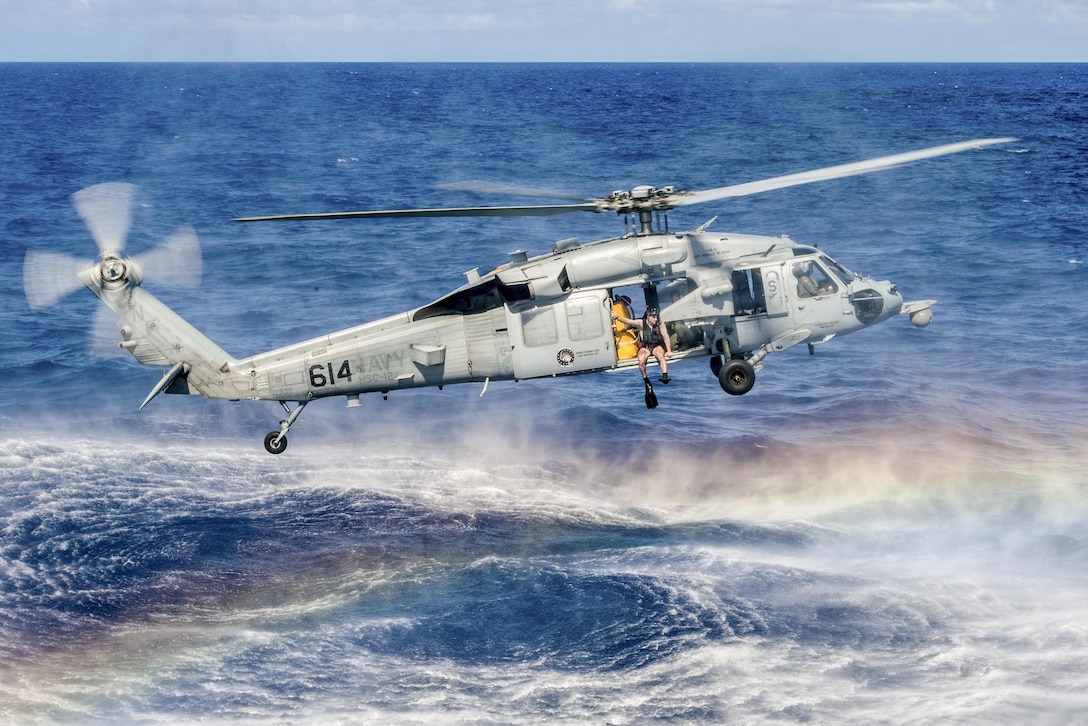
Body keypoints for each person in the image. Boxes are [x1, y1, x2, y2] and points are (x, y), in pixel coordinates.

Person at [611, 306, 673, 384]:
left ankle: (665, 376)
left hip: (657, 346)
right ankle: (645, 378)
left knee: (660, 356)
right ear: (648, 317)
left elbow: (666, 336)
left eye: (656, 317)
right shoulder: (641, 323)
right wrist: (617, 317)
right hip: (645, 347)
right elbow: (628, 321)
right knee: (641, 360)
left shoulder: (660, 324)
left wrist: (669, 350)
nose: (656, 319)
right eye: (653, 317)